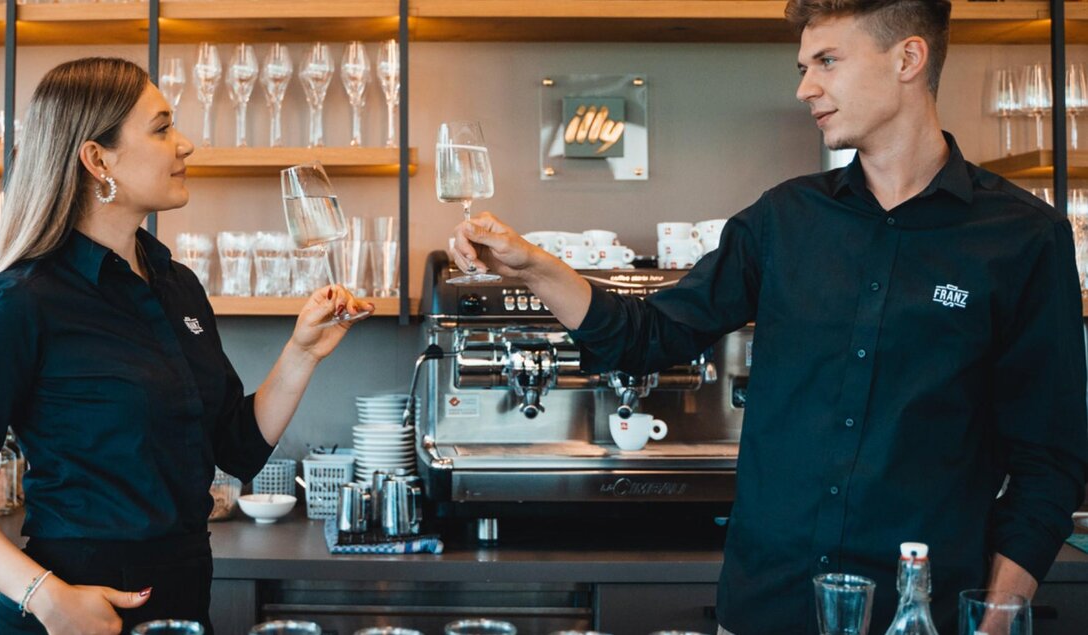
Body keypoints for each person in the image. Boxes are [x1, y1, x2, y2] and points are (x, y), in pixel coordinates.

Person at [449, 0, 1088, 632]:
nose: (806, 87)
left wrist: (997, 618)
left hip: (921, 616)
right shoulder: (783, 219)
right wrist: (532, 266)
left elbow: (1049, 462)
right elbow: (647, 337)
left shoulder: (1023, 238)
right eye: (804, 66)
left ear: (909, 59)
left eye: (828, 62)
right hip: (767, 608)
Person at [0, 57, 371, 635]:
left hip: (183, 604)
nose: (187, 145)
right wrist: (48, 599)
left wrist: (302, 351)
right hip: (72, 613)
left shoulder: (175, 284)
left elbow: (237, 445)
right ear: (97, 159)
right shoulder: (19, 301)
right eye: (162, 128)